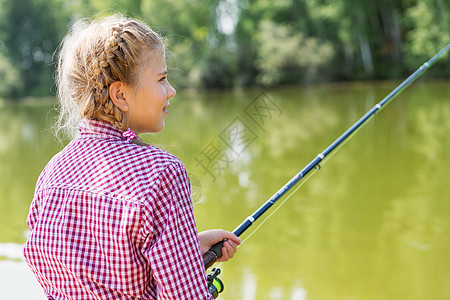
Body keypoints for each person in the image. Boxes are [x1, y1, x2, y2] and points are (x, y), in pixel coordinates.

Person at [23, 14, 240, 299]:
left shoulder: (52, 174)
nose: (171, 90)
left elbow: (87, 274)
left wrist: (185, 249)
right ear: (121, 95)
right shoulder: (162, 173)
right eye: (162, 79)